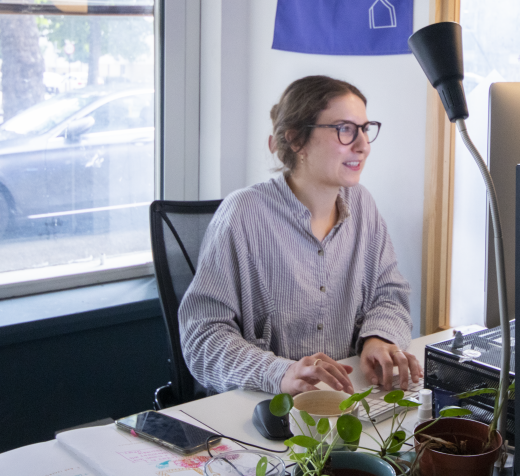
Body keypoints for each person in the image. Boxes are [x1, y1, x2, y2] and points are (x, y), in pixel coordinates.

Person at [179, 75, 421, 395]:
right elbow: (202, 337)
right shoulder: (242, 215)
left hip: (348, 398)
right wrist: (280, 372)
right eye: (345, 129)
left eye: (365, 129)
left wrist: (380, 338)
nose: (363, 145)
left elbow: (389, 294)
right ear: (296, 141)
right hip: (264, 406)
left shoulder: (363, 205)